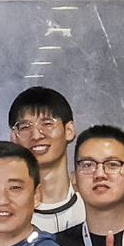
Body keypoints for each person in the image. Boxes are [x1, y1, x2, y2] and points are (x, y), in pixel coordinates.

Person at [8, 86, 82, 237]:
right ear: (14, 137)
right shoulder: (3, 214)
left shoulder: (91, 208)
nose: (36, 135)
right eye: (25, 127)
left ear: (69, 130)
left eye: (47, 123)